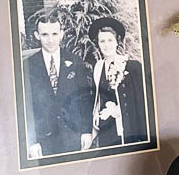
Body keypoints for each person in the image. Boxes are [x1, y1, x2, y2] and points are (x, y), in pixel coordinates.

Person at [22, 15, 94, 159]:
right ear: (37, 35)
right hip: (43, 140)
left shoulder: (75, 61)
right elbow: (26, 106)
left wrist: (86, 131)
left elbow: (84, 100)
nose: (50, 40)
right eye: (45, 34)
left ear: (61, 34)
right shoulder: (28, 66)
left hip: (72, 136)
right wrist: (31, 141)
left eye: (55, 34)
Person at [89, 17, 148, 148]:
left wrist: (117, 110)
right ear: (98, 44)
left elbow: (140, 102)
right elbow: (97, 99)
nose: (106, 45)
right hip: (107, 130)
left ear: (117, 42)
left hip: (127, 128)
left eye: (110, 40)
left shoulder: (132, 67)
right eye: (102, 41)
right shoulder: (98, 68)